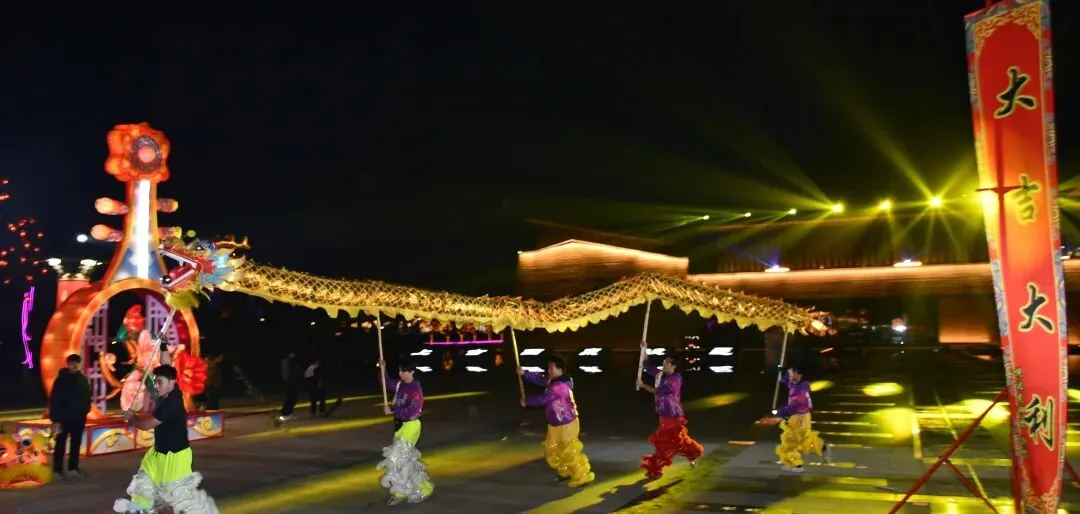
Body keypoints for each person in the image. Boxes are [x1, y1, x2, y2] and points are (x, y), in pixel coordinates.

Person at [113, 364, 218, 513]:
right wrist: (162, 348)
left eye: (159, 382)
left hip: (176, 458)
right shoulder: (172, 392)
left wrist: (132, 416)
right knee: (143, 488)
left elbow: (145, 425)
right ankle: (140, 509)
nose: (156, 386)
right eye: (155, 382)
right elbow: (166, 361)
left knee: (172, 501)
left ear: (172, 382)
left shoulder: (171, 404)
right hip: (157, 454)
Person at [519, 356, 595, 488]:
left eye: (551, 368)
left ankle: (582, 475)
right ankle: (565, 471)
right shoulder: (553, 381)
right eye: (548, 368)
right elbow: (541, 380)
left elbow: (544, 399)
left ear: (560, 370)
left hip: (566, 423)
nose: (548, 370)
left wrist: (527, 401)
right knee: (553, 449)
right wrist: (524, 373)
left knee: (569, 450)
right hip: (555, 423)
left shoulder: (560, 386)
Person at [635, 344, 703, 479]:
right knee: (677, 442)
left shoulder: (675, 380)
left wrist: (643, 385)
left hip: (673, 416)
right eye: (664, 362)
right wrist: (644, 349)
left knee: (666, 445)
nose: (664, 365)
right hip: (663, 415)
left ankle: (655, 469)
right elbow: (647, 366)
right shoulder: (662, 375)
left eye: (666, 363)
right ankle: (692, 453)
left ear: (673, 366)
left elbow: (659, 392)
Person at [376, 358, 433, 505]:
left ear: (412, 371)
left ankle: (423, 488)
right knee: (402, 460)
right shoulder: (400, 384)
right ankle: (401, 491)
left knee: (398, 459)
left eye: (404, 371)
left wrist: (392, 411)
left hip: (411, 426)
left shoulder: (415, 388)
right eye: (400, 370)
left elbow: (413, 410)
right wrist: (383, 369)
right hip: (400, 426)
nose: (400, 373)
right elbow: (386, 383)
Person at [770, 367, 832, 473]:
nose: (789, 376)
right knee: (804, 440)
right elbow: (786, 381)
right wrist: (782, 372)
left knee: (790, 441)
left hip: (799, 417)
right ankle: (823, 447)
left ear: (799, 375)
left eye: (792, 374)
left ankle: (797, 465)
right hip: (802, 417)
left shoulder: (799, 391)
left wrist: (778, 412)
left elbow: (792, 407)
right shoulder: (798, 385)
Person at [49, 354, 91, 480]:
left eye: (77, 363)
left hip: (78, 418)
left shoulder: (83, 379)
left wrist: (85, 410)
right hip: (63, 419)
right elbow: (54, 400)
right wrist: (55, 419)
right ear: (68, 364)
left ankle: (73, 467)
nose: (75, 365)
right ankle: (57, 470)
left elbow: (87, 397)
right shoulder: (61, 380)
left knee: (76, 443)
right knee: (60, 444)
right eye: (72, 363)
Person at [279, 352, 300, 420]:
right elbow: (285, 373)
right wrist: (287, 382)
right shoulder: (285, 361)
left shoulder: (293, 361)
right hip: (288, 382)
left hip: (293, 382)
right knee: (289, 398)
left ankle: (289, 413)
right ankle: (285, 413)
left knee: (293, 398)